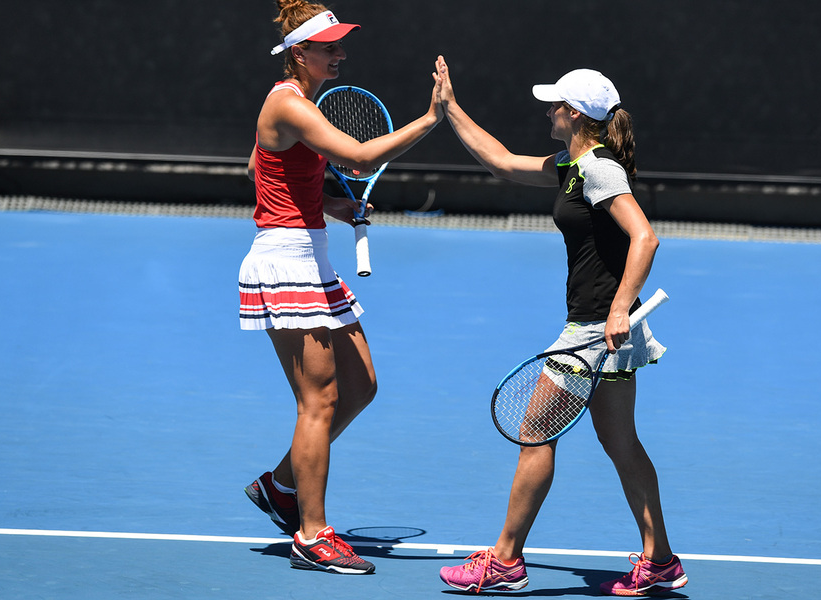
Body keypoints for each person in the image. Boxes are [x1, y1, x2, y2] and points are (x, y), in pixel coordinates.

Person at [433, 57, 688, 596]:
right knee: (622, 445)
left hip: (596, 330)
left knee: (533, 434)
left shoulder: (598, 168)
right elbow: (501, 162)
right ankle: (660, 559)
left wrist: (618, 309)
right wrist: (450, 109)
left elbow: (645, 238)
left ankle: (504, 561)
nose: (549, 112)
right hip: (602, 327)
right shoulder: (571, 166)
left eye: (555, 106)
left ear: (573, 115)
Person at [238, 0, 442, 575]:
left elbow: (259, 173)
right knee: (319, 400)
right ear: (299, 54)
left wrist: (328, 204)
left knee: (361, 385)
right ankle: (312, 532)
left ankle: (281, 487)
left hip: (313, 258)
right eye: (329, 47)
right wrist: (430, 119)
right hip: (286, 263)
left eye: (340, 45)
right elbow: (354, 155)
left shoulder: (291, 105)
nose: (341, 54)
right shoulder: (287, 103)